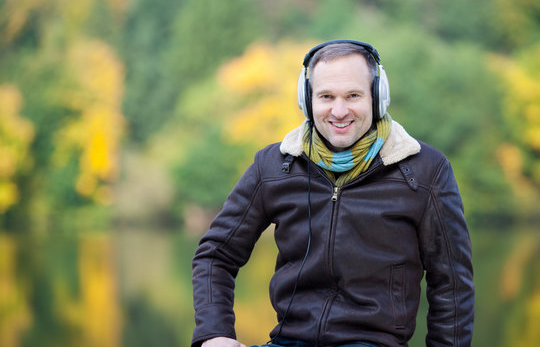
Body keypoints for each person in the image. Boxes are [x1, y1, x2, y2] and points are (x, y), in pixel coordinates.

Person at [191, 40, 474, 347]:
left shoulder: (425, 172)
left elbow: (452, 285)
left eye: (353, 95)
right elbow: (215, 255)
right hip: (288, 341)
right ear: (307, 99)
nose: (339, 111)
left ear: (378, 97)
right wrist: (214, 334)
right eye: (326, 96)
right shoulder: (273, 166)